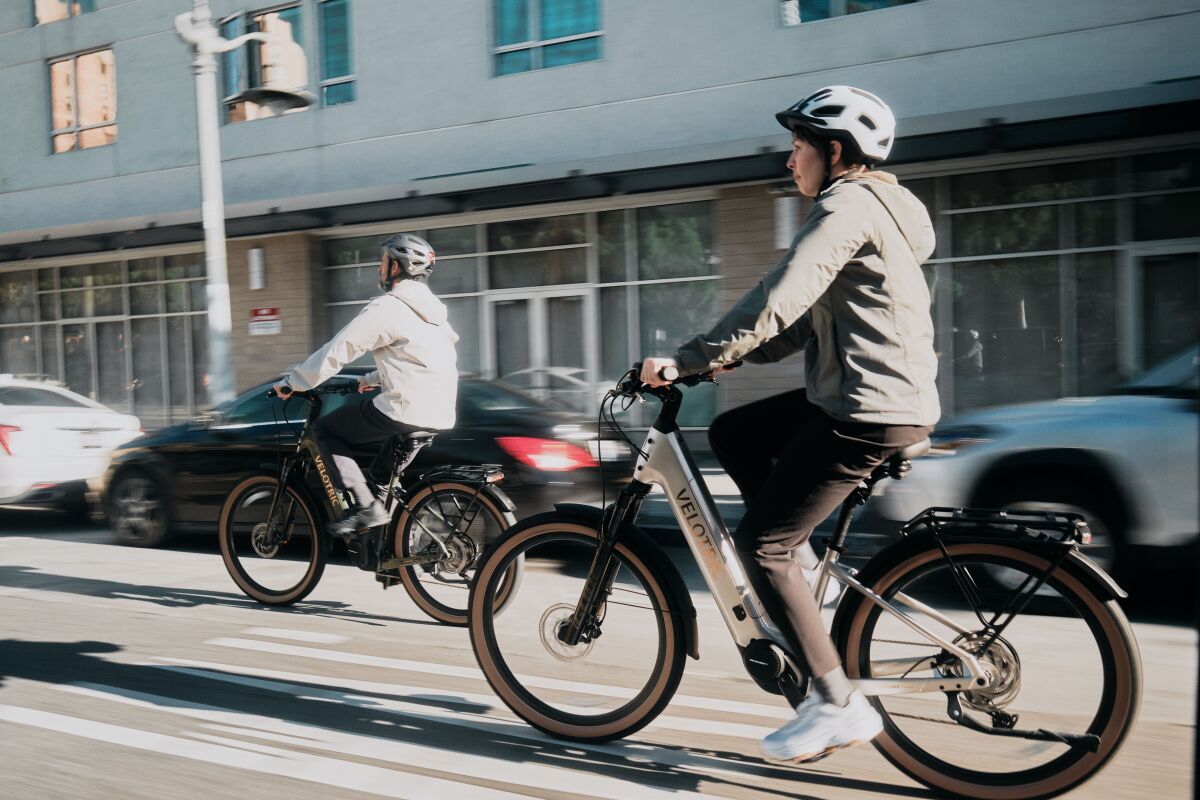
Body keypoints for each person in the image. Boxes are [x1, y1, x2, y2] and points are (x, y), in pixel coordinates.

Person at [640, 85, 940, 763]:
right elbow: (802, 322)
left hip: (867, 409)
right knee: (734, 435)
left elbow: (777, 296)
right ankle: (794, 558)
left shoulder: (846, 205)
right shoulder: (885, 211)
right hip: (877, 398)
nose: (789, 161)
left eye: (798, 146)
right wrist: (716, 365)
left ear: (835, 152)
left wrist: (688, 358)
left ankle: (837, 703)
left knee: (761, 546)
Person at [274, 233, 459, 535]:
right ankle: (387, 550)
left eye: (383, 261)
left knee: (326, 430)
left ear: (397, 266)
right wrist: (371, 379)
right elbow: (420, 359)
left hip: (404, 408)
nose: (379, 268)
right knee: (380, 480)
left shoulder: (388, 307)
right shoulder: (436, 316)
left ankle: (364, 507)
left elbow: (338, 350)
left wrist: (295, 383)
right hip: (440, 412)